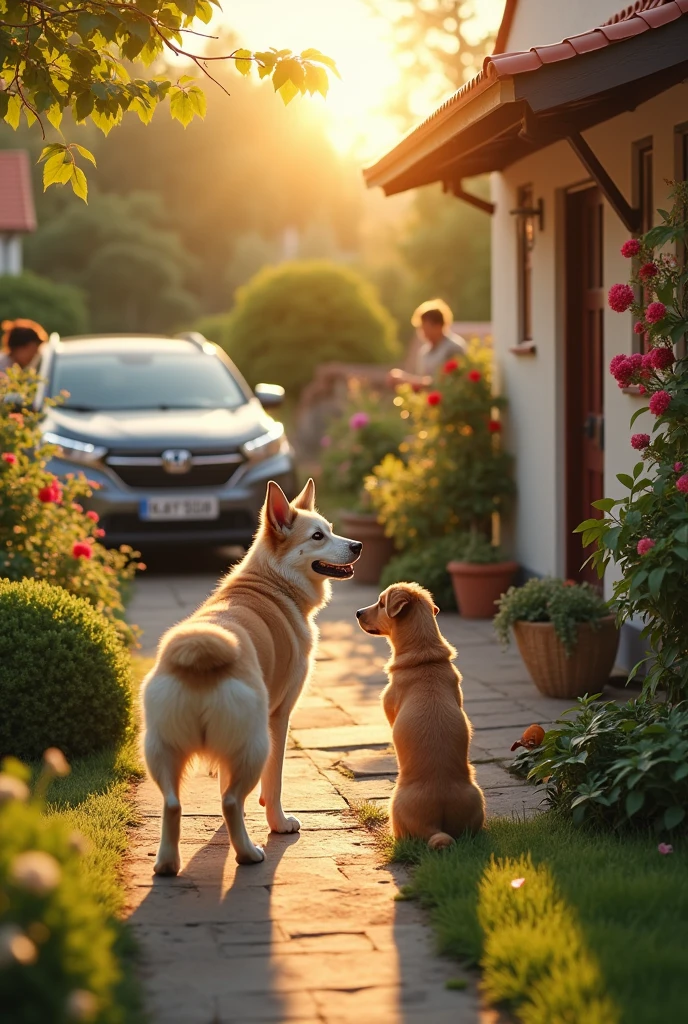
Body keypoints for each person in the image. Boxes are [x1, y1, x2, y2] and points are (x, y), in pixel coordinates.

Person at [388, 299, 466, 388]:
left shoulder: (453, 348)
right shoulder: (425, 351)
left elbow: (446, 382)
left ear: (438, 326)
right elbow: (423, 379)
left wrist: (406, 380)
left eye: (425, 327)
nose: (422, 331)